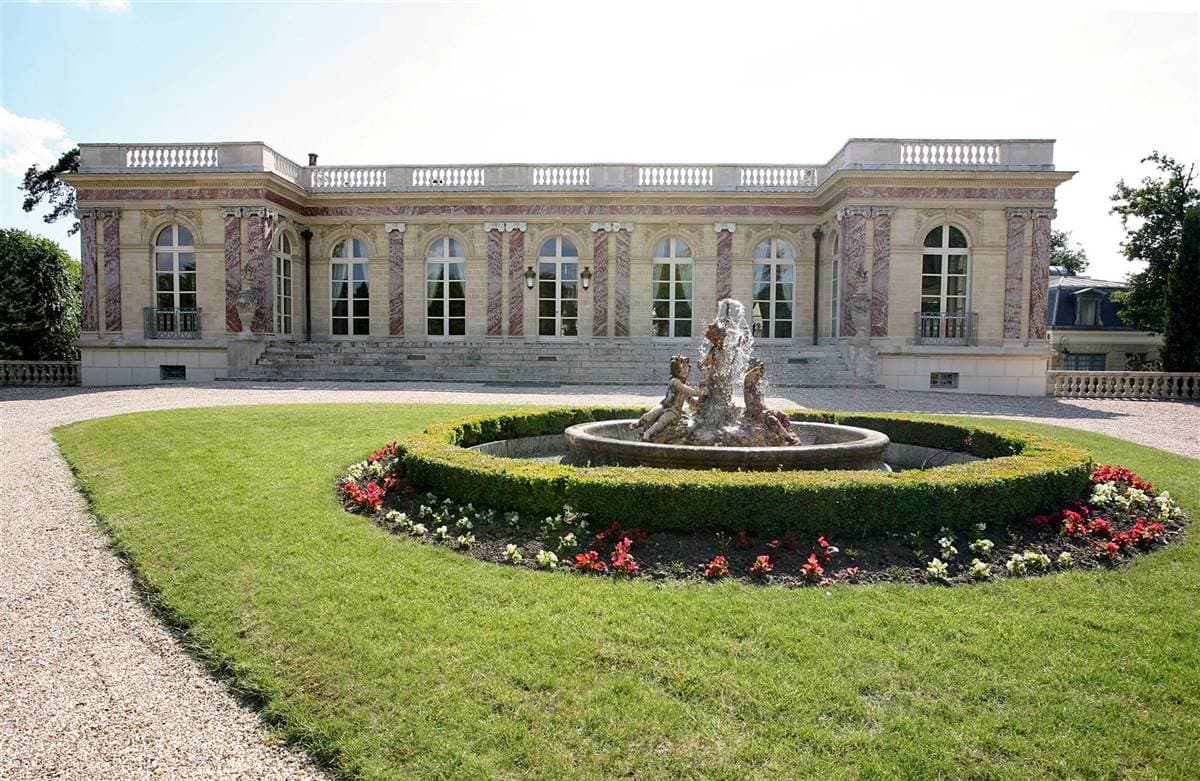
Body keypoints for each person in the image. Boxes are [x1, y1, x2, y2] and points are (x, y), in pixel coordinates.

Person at [630, 354, 701, 441]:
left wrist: (697, 405)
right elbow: (689, 391)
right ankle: (639, 423)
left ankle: (647, 434)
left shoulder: (682, 385)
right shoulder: (675, 381)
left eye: (687, 369)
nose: (686, 372)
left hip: (674, 411)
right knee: (651, 414)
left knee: (662, 421)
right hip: (664, 405)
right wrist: (702, 392)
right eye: (683, 369)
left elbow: (689, 399)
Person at [743, 358, 799, 445]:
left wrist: (771, 411)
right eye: (756, 374)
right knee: (772, 420)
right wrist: (757, 368)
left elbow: (762, 403)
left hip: (764, 412)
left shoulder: (757, 387)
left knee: (782, 415)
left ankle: (788, 432)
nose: (758, 376)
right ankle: (788, 438)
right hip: (755, 414)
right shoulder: (748, 384)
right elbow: (748, 377)